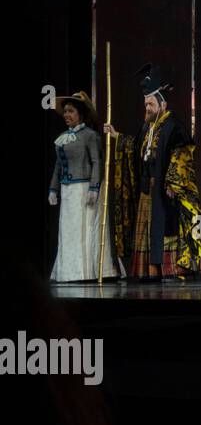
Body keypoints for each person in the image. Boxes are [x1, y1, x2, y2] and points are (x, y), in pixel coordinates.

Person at [103, 64, 201, 281]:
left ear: (162, 104)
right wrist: (117, 136)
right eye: (145, 103)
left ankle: (173, 269)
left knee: (167, 227)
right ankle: (149, 271)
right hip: (148, 190)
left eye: (150, 103)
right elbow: (135, 146)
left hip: (166, 190)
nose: (146, 108)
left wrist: (173, 183)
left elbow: (183, 153)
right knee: (148, 230)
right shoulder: (147, 127)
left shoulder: (174, 126)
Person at [48, 91, 111, 282]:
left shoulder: (90, 136)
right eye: (65, 111)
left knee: (83, 230)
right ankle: (68, 272)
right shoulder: (62, 138)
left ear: (80, 114)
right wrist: (53, 189)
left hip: (84, 190)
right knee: (68, 232)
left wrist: (94, 188)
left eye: (71, 111)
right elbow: (58, 165)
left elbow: (97, 162)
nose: (66, 115)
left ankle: (84, 272)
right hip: (68, 191)